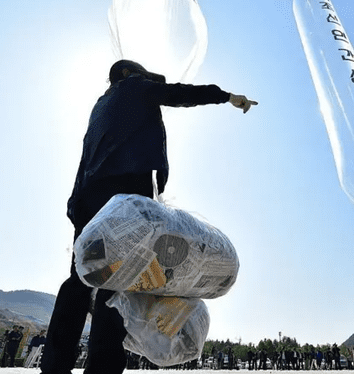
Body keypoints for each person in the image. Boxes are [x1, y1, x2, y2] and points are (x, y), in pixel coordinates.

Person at [40, 59, 257, 374]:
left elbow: (85, 156)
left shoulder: (100, 107)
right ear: (128, 74)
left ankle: (54, 365)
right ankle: (103, 367)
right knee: (119, 280)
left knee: (80, 279)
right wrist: (226, 96)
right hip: (124, 191)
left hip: (89, 196)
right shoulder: (132, 87)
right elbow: (177, 93)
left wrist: (76, 208)